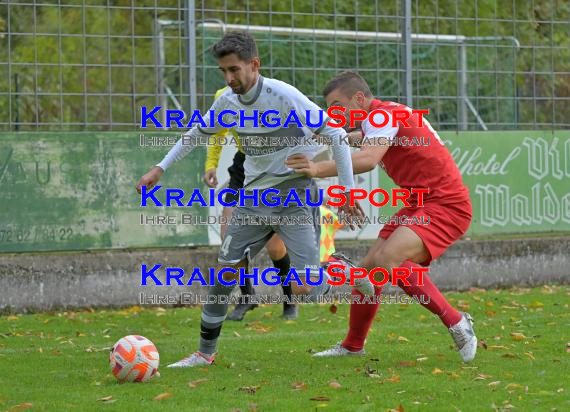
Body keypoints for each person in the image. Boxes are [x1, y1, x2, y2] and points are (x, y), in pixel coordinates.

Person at [136, 33, 373, 368]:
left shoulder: (284, 95)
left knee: (306, 289)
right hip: (252, 201)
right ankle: (205, 353)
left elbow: (334, 134)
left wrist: (348, 192)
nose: (229, 78)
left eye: (234, 69)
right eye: (223, 71)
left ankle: (340, 268)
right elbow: (195, 134)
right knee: (224, 275)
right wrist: (159, 168)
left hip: (294, 198)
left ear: (254, 65)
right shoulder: (226, 102)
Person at [286, 71, 478, 363]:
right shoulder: (381, 116)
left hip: (446, 204)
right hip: (420, 203)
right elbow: (360, 138)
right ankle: (353, 345)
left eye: (337, 105)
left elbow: (368, 158)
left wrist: (317, 167)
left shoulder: (383, 115)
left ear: (359, 98)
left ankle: (457, 322)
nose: (333, 112)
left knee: (390, 260)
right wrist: (331, 136)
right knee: (369, 270)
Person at [203, 86, 297, 321]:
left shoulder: (275, 93)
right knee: (229, 238)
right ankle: (247, 297)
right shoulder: (222, 95)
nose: (232, 76)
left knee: (276, 246)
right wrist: (211, 164)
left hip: (272, 168)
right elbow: (217, 132)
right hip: (243, 167)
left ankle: (289, 301)